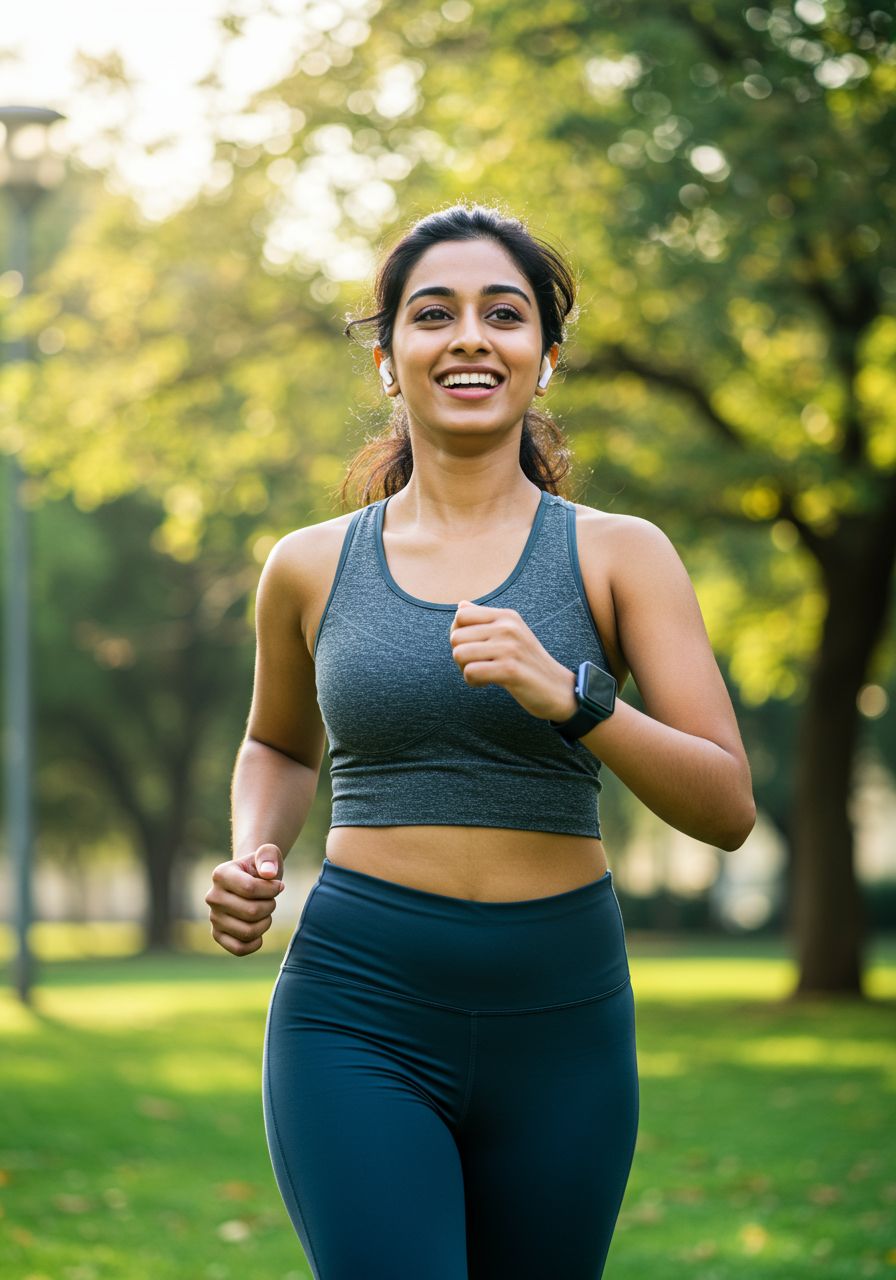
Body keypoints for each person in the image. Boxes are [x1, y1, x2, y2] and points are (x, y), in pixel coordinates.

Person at [204, 202, 756, 1279]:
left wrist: (575, 698)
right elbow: (276, 744)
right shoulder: (309, 565)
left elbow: (725, 805)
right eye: (431, 313)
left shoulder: (618, 554)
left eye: (503, 315)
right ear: (385, 357)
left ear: (542, 359)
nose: (468, 336)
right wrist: (253, 850)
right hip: (357, 1007)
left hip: (563, 1016)